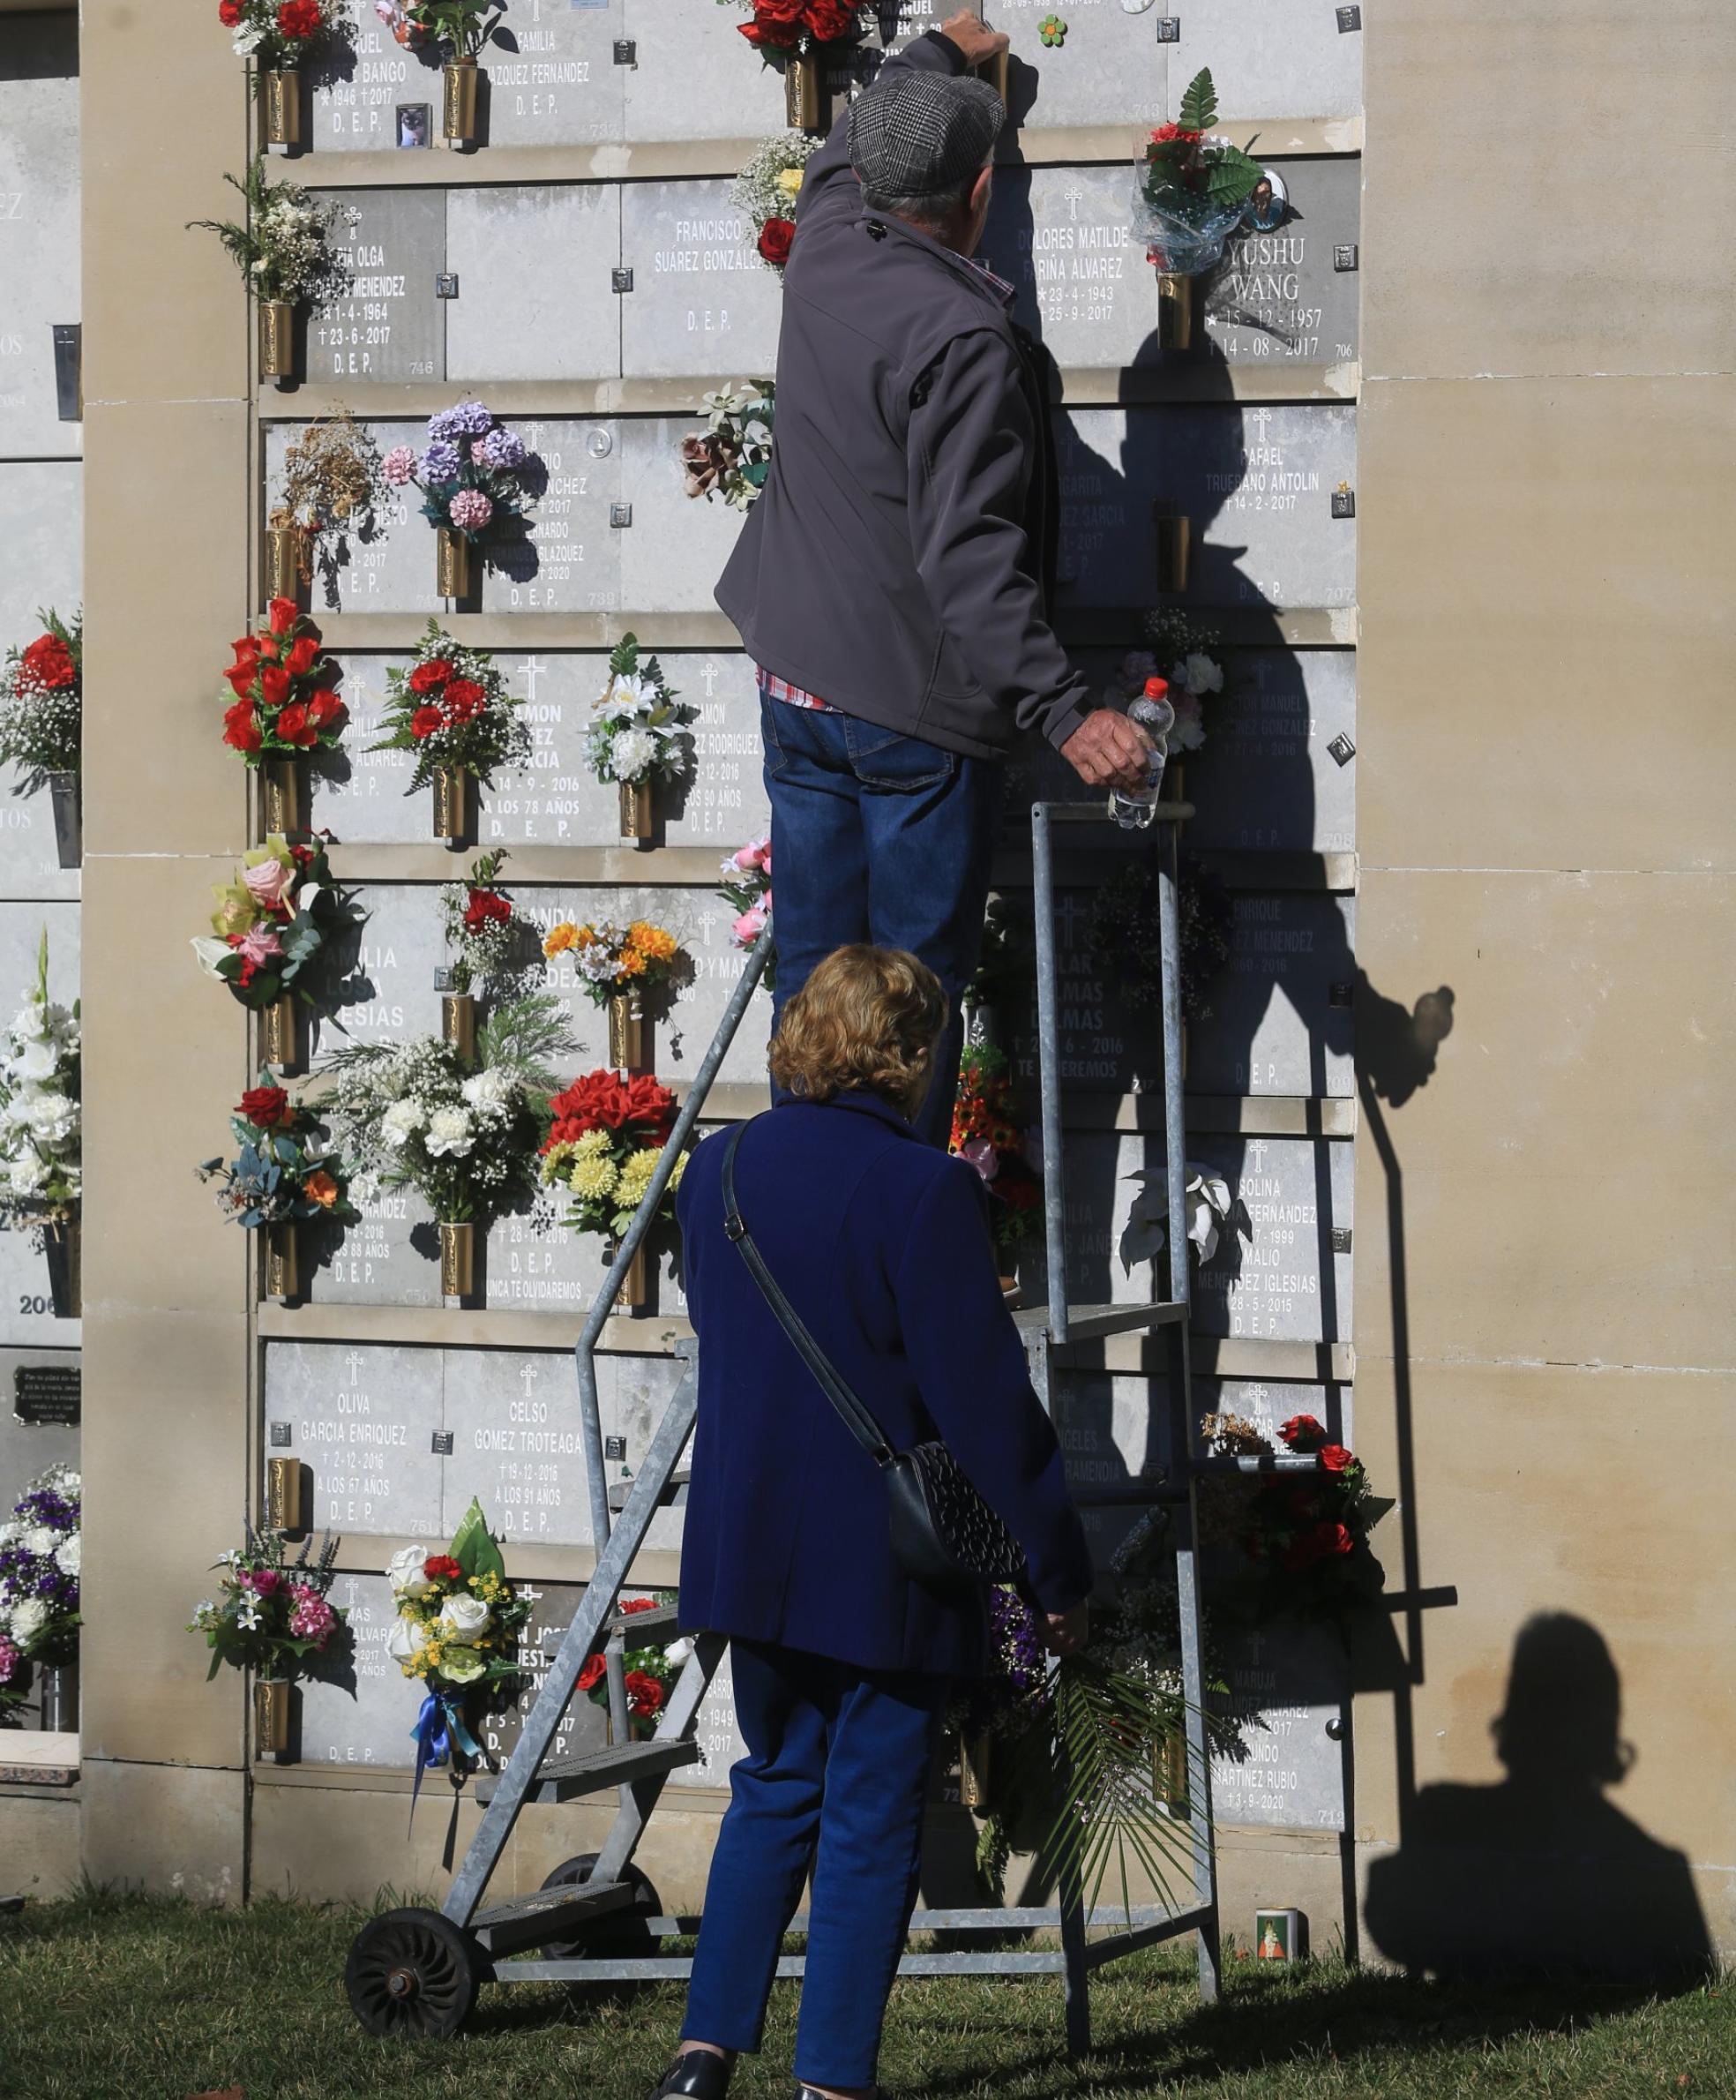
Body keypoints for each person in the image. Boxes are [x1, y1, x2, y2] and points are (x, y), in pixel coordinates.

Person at [649, 946, 1094, 2100]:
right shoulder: (926, 1188)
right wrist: (1056, 1568)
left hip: (748, 1540)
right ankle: (833, 2081)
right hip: (884, 1554)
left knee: (773, 1781)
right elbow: (985, 1404)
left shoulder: (718, 1167)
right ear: (910, 1051)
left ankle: (703, 2057)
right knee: (866, 1814)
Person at [715, 13, 1156, 1147]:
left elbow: (854, 132)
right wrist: (1067, 710)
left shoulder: (822, 230)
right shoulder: (960, 339)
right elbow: (971, 561)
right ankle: (886, 1241)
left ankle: (800, 1221)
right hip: (908, 715)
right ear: (977, 197)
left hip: (795, 684)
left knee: (813, 977)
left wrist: (934, 49)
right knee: (909, 996)